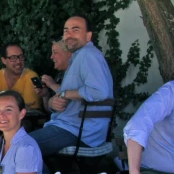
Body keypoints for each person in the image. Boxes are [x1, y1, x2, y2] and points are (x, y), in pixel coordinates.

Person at [29, 16, 113, 160]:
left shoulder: (87, 55)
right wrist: (53, 99)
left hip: (78, 131)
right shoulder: (80, 57)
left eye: (75, 30)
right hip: (73, 128)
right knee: (20, 146)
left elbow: (99, 92)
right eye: (66, 30)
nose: (69, 34)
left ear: (88, 36)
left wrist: (64, 94)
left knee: (21, 147)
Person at [0, 43, 41, 109]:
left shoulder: (31, 76)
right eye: (13, 58)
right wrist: (21, 106)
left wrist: (5, 106)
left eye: (21, 57)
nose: (18, 61)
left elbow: (31, 110)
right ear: (4, 60)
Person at [33, 39, 72, 106]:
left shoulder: (77, 74)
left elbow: (72, 102)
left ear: (68, 53)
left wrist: (52, 85)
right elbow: (50, 111)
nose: (51, 57)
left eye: (55, 52)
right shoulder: (60, 75)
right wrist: (45, 95)